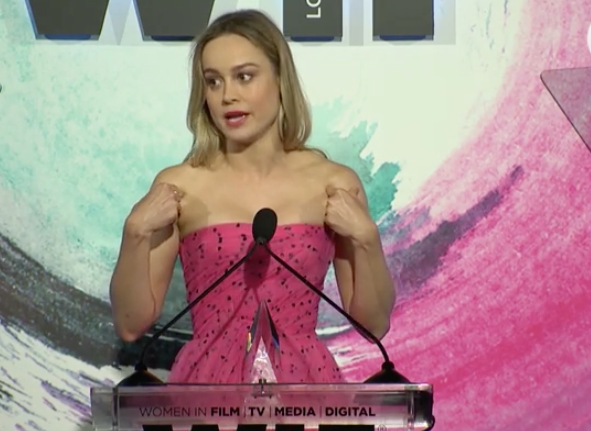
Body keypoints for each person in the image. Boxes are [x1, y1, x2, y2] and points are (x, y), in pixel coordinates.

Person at [110, 9, 395, 384]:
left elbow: (374, 326)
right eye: (213, 82)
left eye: (244, 76)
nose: (228, 95)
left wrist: (367, 238)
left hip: (305, 390)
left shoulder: (333, 184)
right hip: (206, 392)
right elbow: (131, 324)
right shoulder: (180, 186)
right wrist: (134, 232)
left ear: (280, 79)